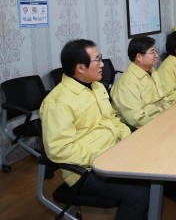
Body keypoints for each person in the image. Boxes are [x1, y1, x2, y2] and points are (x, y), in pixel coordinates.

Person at [39, 39, 149, 220]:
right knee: (139, 194)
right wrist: (101, 156)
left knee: (152, 174)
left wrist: (127, 138)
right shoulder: (57, 102)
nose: (102, 65)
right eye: (97, 60)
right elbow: (59, 150)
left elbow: (111, 118)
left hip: (113, 153)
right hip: (85, 170)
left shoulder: (97, 87)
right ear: (80, 68)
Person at [111, 36, 169, 129]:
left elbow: (164, 98)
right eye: (152, 52)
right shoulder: (127, 83)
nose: (156, 55)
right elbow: (137, 119)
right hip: (144, 129)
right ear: (139, 57)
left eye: (156, 51)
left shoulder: (152, 71)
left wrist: (171, 115)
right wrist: (163, 124)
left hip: (161, 119)